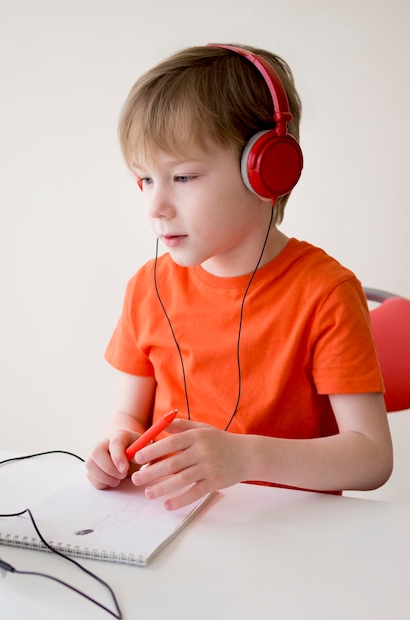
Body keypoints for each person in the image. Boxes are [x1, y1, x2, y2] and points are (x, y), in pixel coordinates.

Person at [85, 43, 393, 511]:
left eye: (183, 178)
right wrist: (115, 445)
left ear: (267, 170)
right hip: (178, 526)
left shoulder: (325, 293)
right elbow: (127, 413)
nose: (155, 207)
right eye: (145, 180)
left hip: (291, 538)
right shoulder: (147, 288)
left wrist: (244, 456)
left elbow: (371, 458)